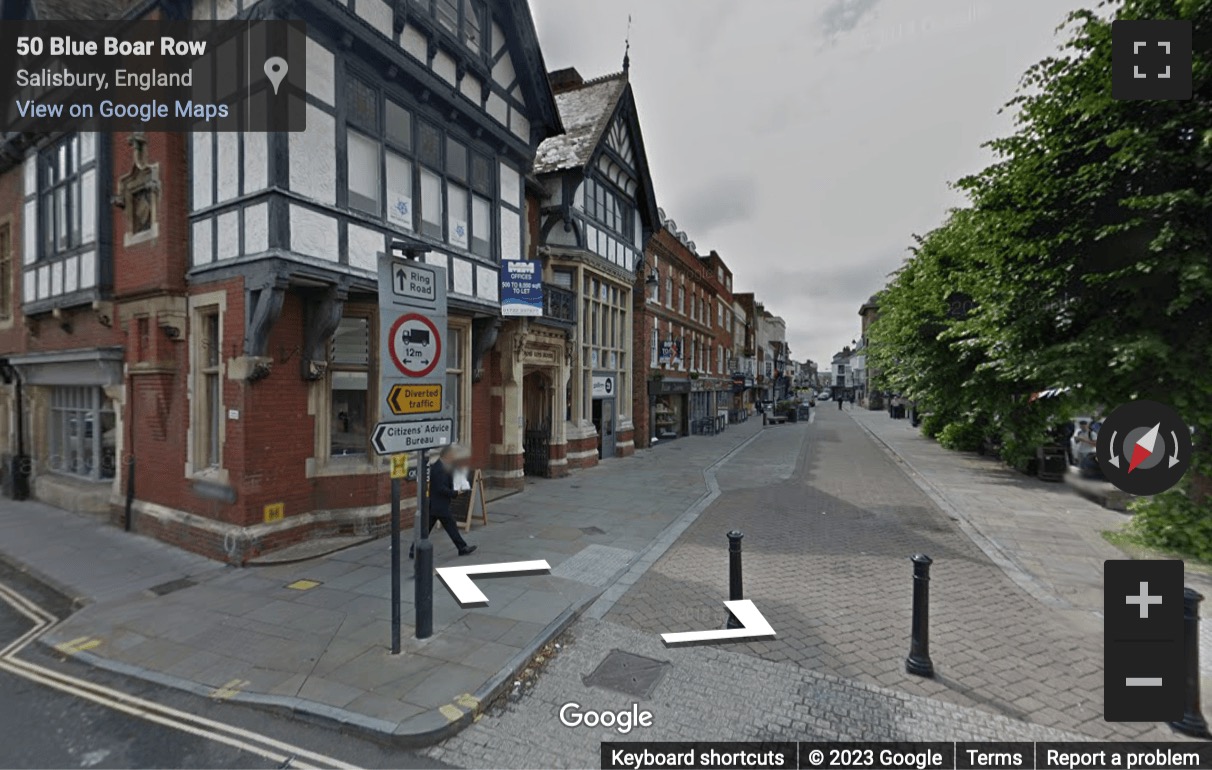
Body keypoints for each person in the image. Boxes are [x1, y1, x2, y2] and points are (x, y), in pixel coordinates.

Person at [410, 445, 477, 558]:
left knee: (426, 529)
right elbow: (440, 488)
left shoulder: (442, 466)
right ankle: (462, 548)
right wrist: (455, 493)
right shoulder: (439, 468)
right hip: (439, 505)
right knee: (450, 526)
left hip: (436, 505)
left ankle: (413, 550)